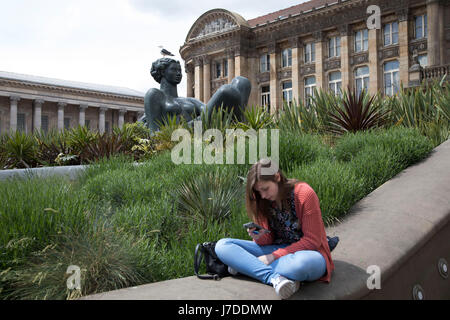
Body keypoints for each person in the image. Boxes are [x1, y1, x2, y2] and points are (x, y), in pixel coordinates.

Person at [215, 158, 335, 299]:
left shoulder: (304, 194)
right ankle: (274, 278)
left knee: (301, 265)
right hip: (276, 250)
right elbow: (268, 241)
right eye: (259, 192)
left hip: (308, 253)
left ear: (277, 177)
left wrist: (274, 256)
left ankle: (247, 267)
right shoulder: (262, 201)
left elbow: (312, 241)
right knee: (223, 245)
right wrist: (259, 237)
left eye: (265, 189)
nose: (263, 195)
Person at [143, 57, 251, 132]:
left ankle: (240, 129)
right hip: (182, 133)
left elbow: (208, 110)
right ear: (162, 72)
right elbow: (155, 132)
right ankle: (241, 131)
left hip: (204, 125)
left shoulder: (189, 100)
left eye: (180, 70)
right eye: (174, 70)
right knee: (226, 91)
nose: (179, 73)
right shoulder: (155, 95)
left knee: (242, 82)